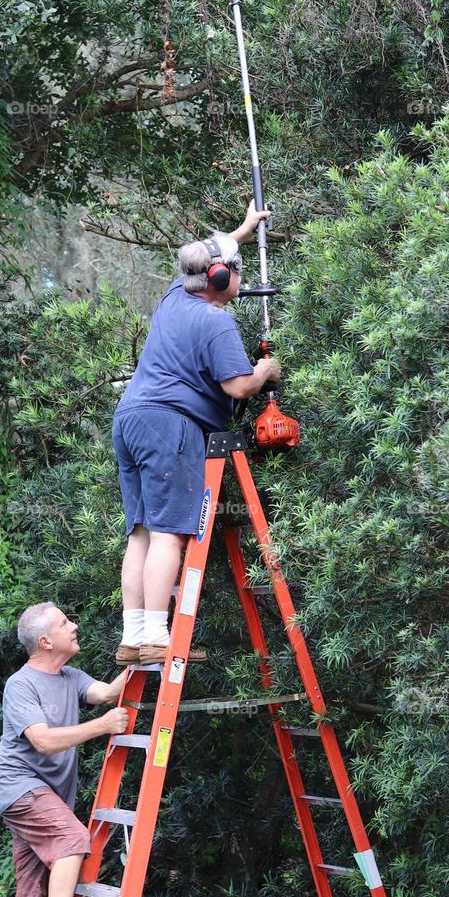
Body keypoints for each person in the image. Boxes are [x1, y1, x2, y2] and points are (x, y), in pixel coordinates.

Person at [112, 201, 281, 664]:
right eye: (235, 274)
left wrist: (245, 228)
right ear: (222, 279)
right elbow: (239, 385)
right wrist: (265, 371)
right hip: (171, 424)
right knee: (169, 533)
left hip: (130, 420)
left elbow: (214, 251)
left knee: (143, 532)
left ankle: (134, 636)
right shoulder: (215, 321)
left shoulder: (174, 295)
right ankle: (159, 637)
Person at [0, 601, 128, 897]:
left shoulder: (70, 678)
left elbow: (107, 693)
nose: (76, 625)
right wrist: (102, 726)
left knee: (29, 896)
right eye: (66, 622)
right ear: (46, 640)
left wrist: (142, 655)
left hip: (42, 797)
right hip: (22, 790)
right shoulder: (21, 685)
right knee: (73, 838)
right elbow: (44, 741)